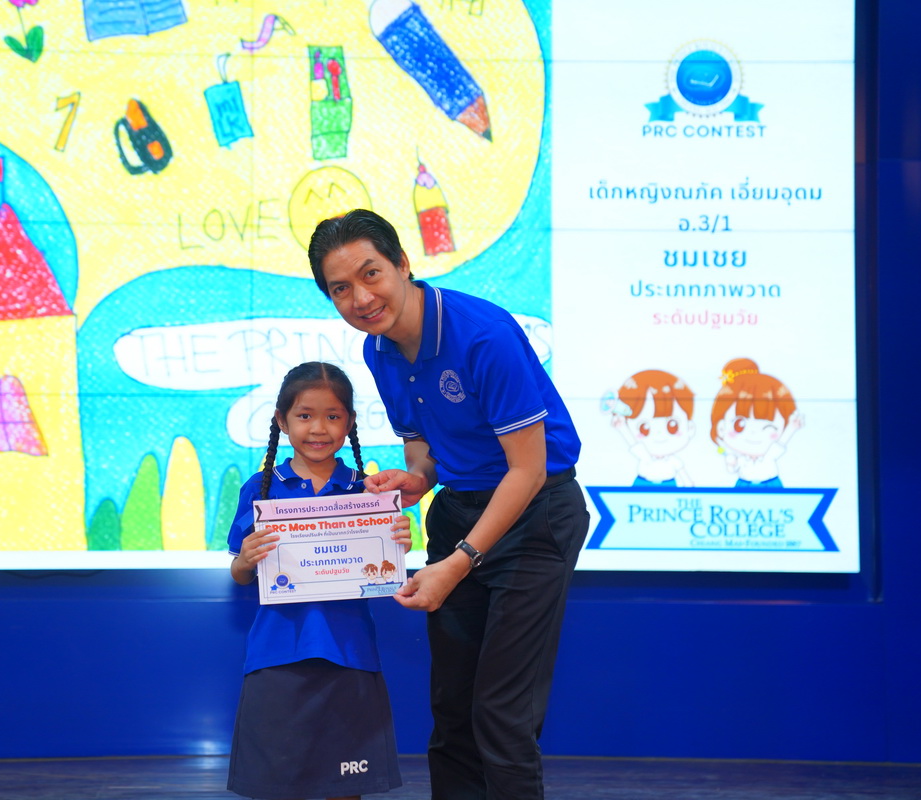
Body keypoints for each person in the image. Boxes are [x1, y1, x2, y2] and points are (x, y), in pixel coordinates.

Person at [308, 210, 591, 800]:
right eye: (341, 288)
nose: (361, 298)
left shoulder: (482, 335)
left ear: (403, 264)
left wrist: (458, 562)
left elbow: (527, 469)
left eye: (371, 274)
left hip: (535, 515)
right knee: (453, 710)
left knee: (502, 714)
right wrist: (416, 478)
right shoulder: (379, 350)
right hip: (460, 510)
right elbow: (423, 445)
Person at [227, 361, 410, 800]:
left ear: (350, 422)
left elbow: (385, 564)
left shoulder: (369, 491)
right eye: (305, 415)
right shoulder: (261, 488)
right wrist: (247, 560)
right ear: (282, 420)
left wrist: (397, 540)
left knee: (346, 785)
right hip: (277, 654)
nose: (318, 428)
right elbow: (238, 572)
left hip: (349, 653)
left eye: (333, 416)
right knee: (276, 785)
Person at [710, 357, 804, 488]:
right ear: (721, 427)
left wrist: (792, 428)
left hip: (770, 485)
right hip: (744, 485)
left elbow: (781, 443)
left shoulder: (770, 455)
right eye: (739, 425)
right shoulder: (740, 458)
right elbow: (731, 469)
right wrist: (730, 462)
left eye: (769, 427)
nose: (754, 433)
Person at [608, 369, 696, 487]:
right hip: (642, 485)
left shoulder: (673, 461)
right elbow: (633, 443)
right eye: (644, 428)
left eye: (672, 426)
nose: (659, 435)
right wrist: (622, 427)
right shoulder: (644, 455)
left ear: (690, 428)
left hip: (669, 486)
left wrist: (691, 491)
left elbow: (687, 482)